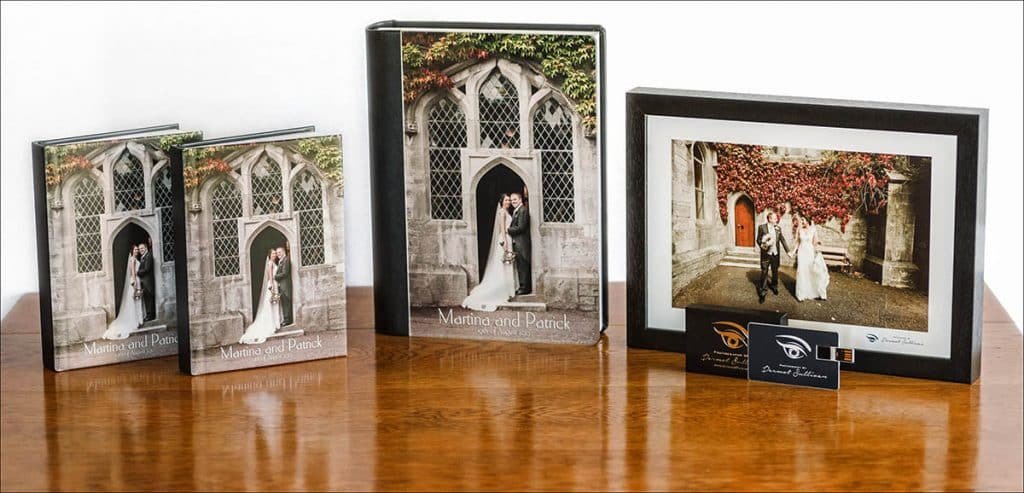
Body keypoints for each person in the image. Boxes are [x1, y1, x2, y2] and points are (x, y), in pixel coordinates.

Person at [462, 194, 516, 311]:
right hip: (505, 238)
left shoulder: (507, 211)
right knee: (503, 263)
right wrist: (505, 242)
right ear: (501, 201)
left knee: (507, 263)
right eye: (506, 200)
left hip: (508, 238)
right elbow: (502, 228)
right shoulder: (502, 212)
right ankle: (502, 290)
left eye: (509, 200)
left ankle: (508, 288)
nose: (508, 202)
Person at [240, 249, 282, 344]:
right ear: (269, 255)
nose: (275, 254)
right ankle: (271, 324)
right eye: (273, 253)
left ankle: (276, 323)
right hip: (272, 285)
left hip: (275, 284)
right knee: (271, 303)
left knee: (274, 303)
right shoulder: (270, 263)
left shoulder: (273, 263)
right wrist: (272, 286)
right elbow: (270, 276)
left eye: (275, 253)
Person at [103, 245, 145, 340]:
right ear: (132, 251)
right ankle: (135, 320)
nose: (137, 251)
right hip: (134, 280)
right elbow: (133, 272)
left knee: (135, 299)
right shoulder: (133, 259)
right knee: (135, 299)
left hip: (136, 280)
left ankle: (137, 319)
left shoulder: (134, 259)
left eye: (137, 249)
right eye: (135, 249)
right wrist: (135, 283)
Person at [756, 211, 790, 304]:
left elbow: (782, 240)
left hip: (775, 254)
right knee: (764, 272)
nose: (776, 219)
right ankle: (763, 292)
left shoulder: (778, 228)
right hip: (766, 254)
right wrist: (763, 245)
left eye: (776, 218)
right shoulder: (762, 227)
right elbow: (758, 239)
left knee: (775, 272)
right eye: (775, 218)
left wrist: (788, 251)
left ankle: (774, 286)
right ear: (770, 219)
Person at [794, 216, 830, 301]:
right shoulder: (799, 230)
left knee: (810, 271)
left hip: (810, 252)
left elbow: (814, 242)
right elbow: (797, 243)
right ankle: (801, 294)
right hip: (801, 252)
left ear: (807, 221)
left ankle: (812, 291)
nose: (801, 221)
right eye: (801, 220)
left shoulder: (813, 230)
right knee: (801, 271)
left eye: (803, 220)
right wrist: (793, 251)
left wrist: (818, 243)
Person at [507, 192, 532, 295]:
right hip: (517, 242)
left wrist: (508, 230)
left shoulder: (523, 210)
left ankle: (525, 288)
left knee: (523, 264)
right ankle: (522, 286)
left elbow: (521, 227)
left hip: (522, 242)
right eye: (511, 200)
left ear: (520, 200)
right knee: (520, 264)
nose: (513, 201)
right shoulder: (517, 210)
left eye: (515, 199)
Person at [274, 246, 293, 327]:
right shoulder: (280, 261)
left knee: (286, 301)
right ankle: (285, 318)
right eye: (277, 253)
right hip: (281, 285)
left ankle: (287, 320)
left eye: (279, 252)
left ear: (283, 252)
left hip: (285, 285)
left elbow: (285, 273)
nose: (278, 254)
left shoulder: (286, 259)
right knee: (284, 302)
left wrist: (275, 276)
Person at [136, 242, 155, 322]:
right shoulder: (143, 257)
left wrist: (137, 272)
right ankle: (148, 314)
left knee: (149, 298)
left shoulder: (148, 256)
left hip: (148, 281)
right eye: (140, 249)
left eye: (142, 248)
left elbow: (147, 269)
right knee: (147, 298)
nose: (141, 250)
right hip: (144, 281)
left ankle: (150, 315)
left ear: (146, 248)